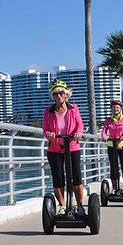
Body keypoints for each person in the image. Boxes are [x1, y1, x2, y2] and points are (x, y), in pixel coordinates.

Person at [42, 79, 85, 215]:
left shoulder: (74, 109)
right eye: (55, 94)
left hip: (72, 146)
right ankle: (62, 206)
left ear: (66, 94)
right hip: (55, 148)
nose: (58, 96)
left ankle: (79, 205)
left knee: (76, 177)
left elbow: (80, 124)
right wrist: (48, 134)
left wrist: (79, 133)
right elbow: (45, 129)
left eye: (61, 93)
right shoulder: (48, 111)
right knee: (58, 178)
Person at [101, 100, 123, 194]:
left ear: (120, 109)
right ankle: (115, 189)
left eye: (117, 107)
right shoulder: (108, 120)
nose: (116, 109)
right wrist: (104, 137)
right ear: (112, 109)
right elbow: (104, 131)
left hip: (122, 145)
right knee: (113, 168)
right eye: (114, 107)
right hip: (111, 145)